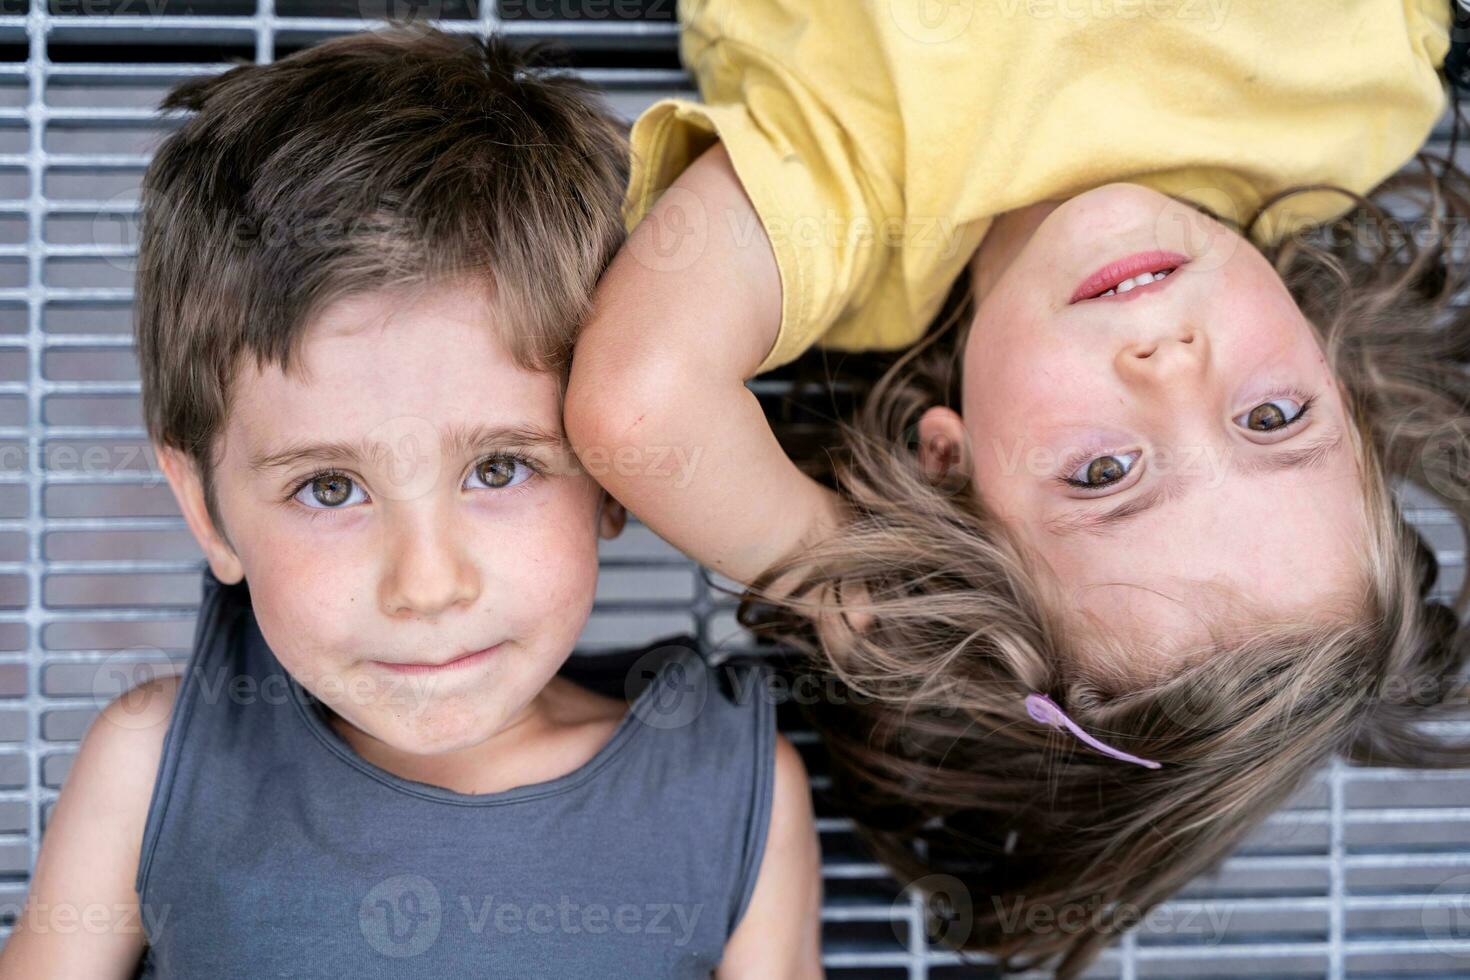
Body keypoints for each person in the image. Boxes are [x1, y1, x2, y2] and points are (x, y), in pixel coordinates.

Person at [565, 1, 1470, 975]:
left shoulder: (862, 196)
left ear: (948, 466)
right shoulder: (1356, 95)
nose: (1173, 368)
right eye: (1273, 418)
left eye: (1105, 473)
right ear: (1345, 393)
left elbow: (640, 406)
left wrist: (847, 579)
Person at [0, 26, 823, 979]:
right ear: (204, 506)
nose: (427, 585)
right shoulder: (151, 768)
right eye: (330, 487)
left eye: (500, 468)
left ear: (611, 472)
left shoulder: (734, 792)